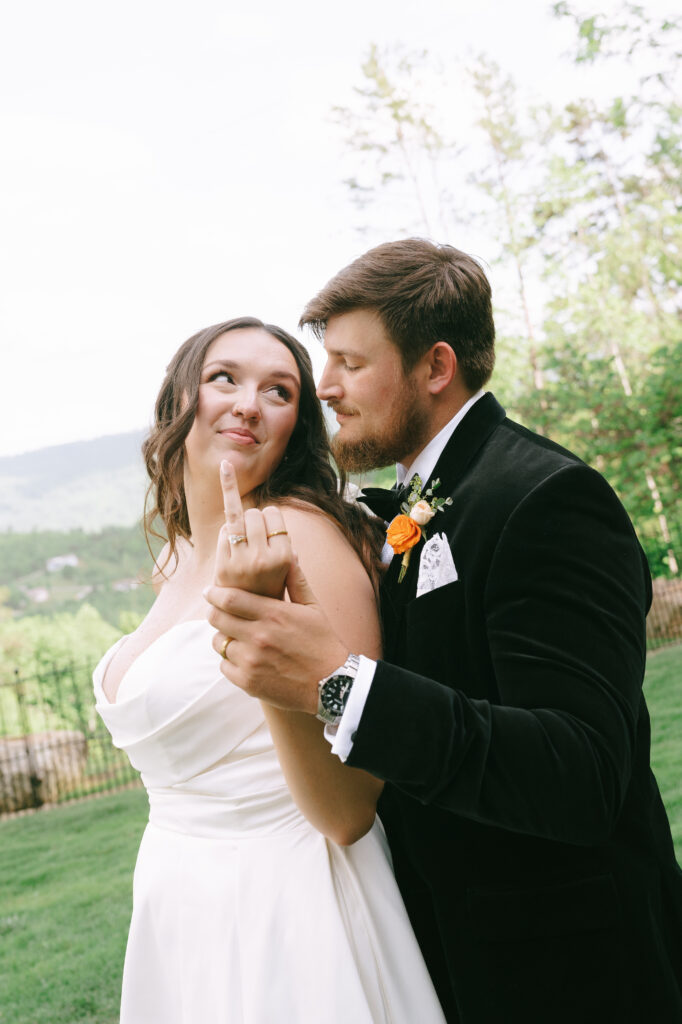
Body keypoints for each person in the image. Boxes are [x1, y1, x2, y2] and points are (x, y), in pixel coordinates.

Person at [204, 243, 682, 1024]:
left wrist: (340, 683)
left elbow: (582, 773)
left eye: (351, 364)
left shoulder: (549, 499)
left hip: (576, 969)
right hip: (454, 956)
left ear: (435, 368)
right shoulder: (422, 503)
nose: (325, 388)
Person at [93, 316, 446, 1023]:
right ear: (179, 398)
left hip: (291, 898)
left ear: (295, 429)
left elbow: (349, 807)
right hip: (181, 899)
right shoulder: (177, 557)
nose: (249, 403)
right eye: (225, 377)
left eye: (280, 391)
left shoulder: (301, 535)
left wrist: (263, 634)